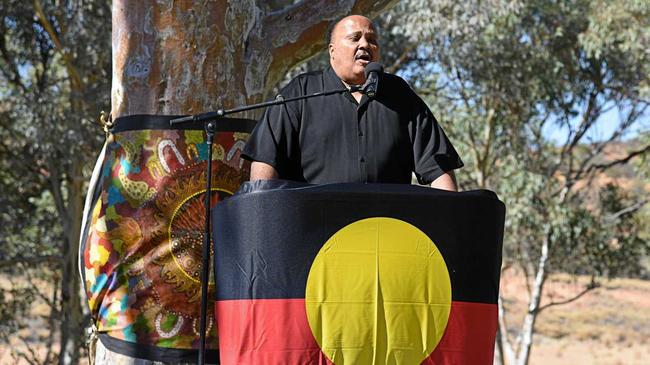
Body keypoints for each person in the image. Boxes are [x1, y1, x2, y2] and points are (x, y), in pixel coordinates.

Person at [243, 15, 462, 191]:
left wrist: (447, 228)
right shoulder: (301, 92)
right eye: (355, 38)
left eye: (372, 40)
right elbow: (265, 162)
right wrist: (262, 220)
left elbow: (439, 169)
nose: (365, 44)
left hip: (387, 232)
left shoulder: (400, 95)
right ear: (332, 51)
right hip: (315, 233)